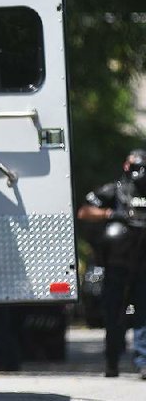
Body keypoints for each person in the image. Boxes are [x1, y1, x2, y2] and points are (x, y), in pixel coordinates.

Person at [78, 149, 146, 380]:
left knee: (142, 314)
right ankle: (112, 361)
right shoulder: (114, 190)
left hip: (143, 266)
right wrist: (110, 214)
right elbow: (85, 211)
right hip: (117, 264)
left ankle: (143, 362)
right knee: (115, 314)